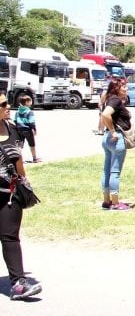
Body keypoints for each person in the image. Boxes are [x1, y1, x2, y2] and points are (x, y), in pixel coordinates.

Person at [0, 93, 43, 300]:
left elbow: (18, 161)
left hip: (10, 193)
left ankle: (18, 283)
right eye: (3, 104)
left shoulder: (12, 129)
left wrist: (24, 182)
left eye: (6, 103)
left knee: (10, 236)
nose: (8, 106)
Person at [100, 81, 133, 211]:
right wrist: (114, 131)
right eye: (124, 87)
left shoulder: (109, 99)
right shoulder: (115, 100)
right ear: (117, 89)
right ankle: (115, 202)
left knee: (106, 170)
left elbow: (105, 115)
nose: (126, 89)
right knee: (115, 171)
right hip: (116, 138)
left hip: (107, 138)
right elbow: (105, 114)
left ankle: (106, 200)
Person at [14, 95, 40, 163]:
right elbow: (31, 121)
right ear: (27, 102)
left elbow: (15, 121)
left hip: (19, 129)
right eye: (30, 101)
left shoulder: (18, 111)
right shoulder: (29, 111)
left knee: (20, 145)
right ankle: (34, 158)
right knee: (32, 144)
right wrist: (34, 129)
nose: (31, 102)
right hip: (27, 129)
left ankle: (19, 160)